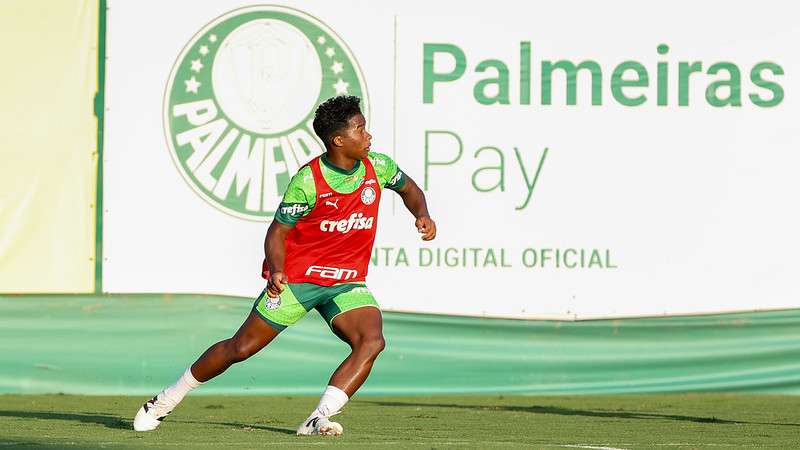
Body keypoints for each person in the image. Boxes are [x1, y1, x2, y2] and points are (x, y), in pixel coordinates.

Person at [133, 95, 437, 436]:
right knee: (240, 348)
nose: (369, 136)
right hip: (297, 280)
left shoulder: (377, 166)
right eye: (360, 129)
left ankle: (318, 417)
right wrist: (277, 269)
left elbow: (409, 189)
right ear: (338, 140)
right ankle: (163, 401)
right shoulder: (309, 180)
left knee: (372, 340)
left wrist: (422, 214)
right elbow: (277, 231)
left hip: (346, 282)